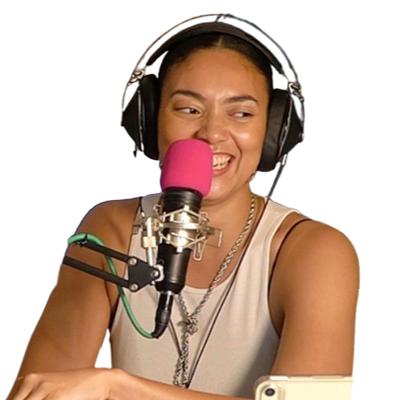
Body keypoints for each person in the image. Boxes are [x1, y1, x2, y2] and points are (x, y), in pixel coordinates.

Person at [8, 14, 359, 400]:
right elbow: (44, 390)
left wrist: (118, 387)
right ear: (149, 121)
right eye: (188, 109)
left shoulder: (315, 252)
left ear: (274, 131)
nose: (211, 133)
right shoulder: (110, 230)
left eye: (241, 113)